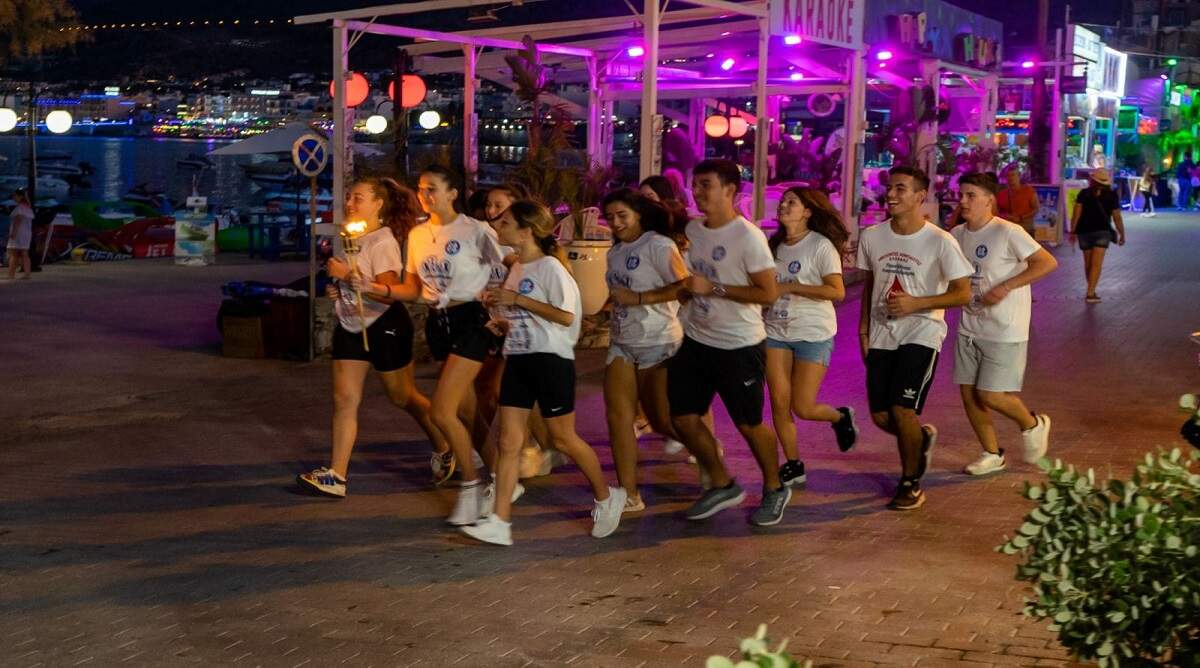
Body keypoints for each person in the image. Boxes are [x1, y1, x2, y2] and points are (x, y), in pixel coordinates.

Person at [464, 200, 625, 545]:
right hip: (518, 359)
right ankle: (499, 521)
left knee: (562, 439)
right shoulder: (518, 267)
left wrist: (517, 300)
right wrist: (502, 321)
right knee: (508, 441)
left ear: (526, 231)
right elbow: (526, 318)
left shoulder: (551, 267)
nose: (497, 226)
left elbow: (566, 317)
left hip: (551, 361)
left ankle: (607, 496)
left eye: (505, 222)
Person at [297, 178, 449, 497]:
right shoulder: (353, 238)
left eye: (359, 198)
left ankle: (445, 444)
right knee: (344, 400)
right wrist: (338, 288)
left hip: (384, 326)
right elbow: (353, 283)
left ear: (378, 204)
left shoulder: (383, 241)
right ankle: (336, 475)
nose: (350, 203)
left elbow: (386, 294)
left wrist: (347, 277)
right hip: (351, 325)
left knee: (402, 397)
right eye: (349, 197)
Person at [669, 158, 789, 526]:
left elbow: (768, 294)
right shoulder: (694, 229)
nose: (697, 192)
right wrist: (688, 291)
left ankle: (774, 486)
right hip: (696, 339)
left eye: (706, 184)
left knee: (749, 424)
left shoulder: (748, 237)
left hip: (739, 345)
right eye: (695, 184)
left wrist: (714, 288)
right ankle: (722, 484)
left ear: (731, 190)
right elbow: (696, 278)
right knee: (683, 419)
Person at [386, 165, 508, 525]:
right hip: (438, 323)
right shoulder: (417, 234)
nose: (425, 195)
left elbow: (510, 266)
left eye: (433, 188)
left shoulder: (475, 230)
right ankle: (502, 480)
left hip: (470, 320)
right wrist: (373, 287)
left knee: (442, 411)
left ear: (453, 193)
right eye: (421, 188)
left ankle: (470, 486)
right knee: (468, 413)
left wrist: (503, 308)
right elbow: (413, 287)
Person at [856, 165, 972, 510]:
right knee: (881, 416)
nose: (891, 195)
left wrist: (917, 303)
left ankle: (910, 482)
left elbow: (963, 293)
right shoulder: (872, 236)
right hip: (882, 334)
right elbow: (869, 286)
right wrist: (863, 329)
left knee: (902, 408)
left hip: (922, 332)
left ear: (920, 197)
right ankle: (919, 440)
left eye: (900, 189)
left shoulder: (940, 241)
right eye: (890, 188)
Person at [950, 172, 1057, 476]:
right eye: (961, 195)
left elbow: (1047, 262)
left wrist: (1006, 286)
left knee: (991, 394)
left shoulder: (1008, 232)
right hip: (969, 326)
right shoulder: (956, 234)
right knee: (969, 394)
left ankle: (1032, 424)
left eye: (971, 195)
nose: (963, 201)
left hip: (1004, 327)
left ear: (989, 200)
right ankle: (991, 453)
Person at [601, 188, 689, 513]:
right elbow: (619, 292)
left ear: (639, 214)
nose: (616, 222)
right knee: (618, 418)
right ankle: (629, 494)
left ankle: (709, 455)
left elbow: (684, 287)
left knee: (662, 420)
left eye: (622, 215)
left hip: (659, 340)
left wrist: (640, 299)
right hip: (622, 342)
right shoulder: (615, 252)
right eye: (610, 217)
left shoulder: (658, 245)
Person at [764, 187, 858, 488]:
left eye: (791, 202)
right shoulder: (774, 245)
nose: (783, 205)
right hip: (775, 331)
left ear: (807, 212)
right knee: (779, 403)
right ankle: (794, 464)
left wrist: (791, 286)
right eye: (782, 201)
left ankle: (839, 417)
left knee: (803, 407)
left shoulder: (820, 245)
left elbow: (837, 291)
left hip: (813, 332)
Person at [480, 183, 559, 479]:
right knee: (501, 391)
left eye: (499, 206)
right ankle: (531, 449)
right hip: (504, 325)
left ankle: (536, 448)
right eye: (488, 205)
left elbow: (562, 309)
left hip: (531, 334)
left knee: (508, 390)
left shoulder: (528, 254)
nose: (492, 211)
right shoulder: (491, 238)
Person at [1068, 168, 1125, 303]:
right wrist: (1122, 233)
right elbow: (1117, 217)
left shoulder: (1084, 193)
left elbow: (1076, 214)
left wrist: (1073, 231)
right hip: (1102, 232)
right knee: (1096, 264)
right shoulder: (1112, 195)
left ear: (1093, 180)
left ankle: (1091, 290)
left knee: (1088, 264)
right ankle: (1090, 292)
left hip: (1084, 231)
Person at [997, 170, 1039, 237]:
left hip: (1026, 230)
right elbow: (997, 212)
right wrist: (1005, 216)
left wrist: (1021, 218)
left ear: (1019, 176)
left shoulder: (1028, 190)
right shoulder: (1002, 194)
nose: (1010, 178)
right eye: (1008, 176)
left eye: (1013, 175)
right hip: (1008, 231)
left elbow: (1036, 209)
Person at [5, 189, 33, 280]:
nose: (13, 197)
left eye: (15, 196)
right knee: (25, 253)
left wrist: (13, 233)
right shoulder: (28, 208)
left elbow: (18, 221)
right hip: (27, 233)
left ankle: (11, 274)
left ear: (20, 196)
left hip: (19, 233)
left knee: (14, 254)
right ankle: (27, 273)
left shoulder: (19, 208)